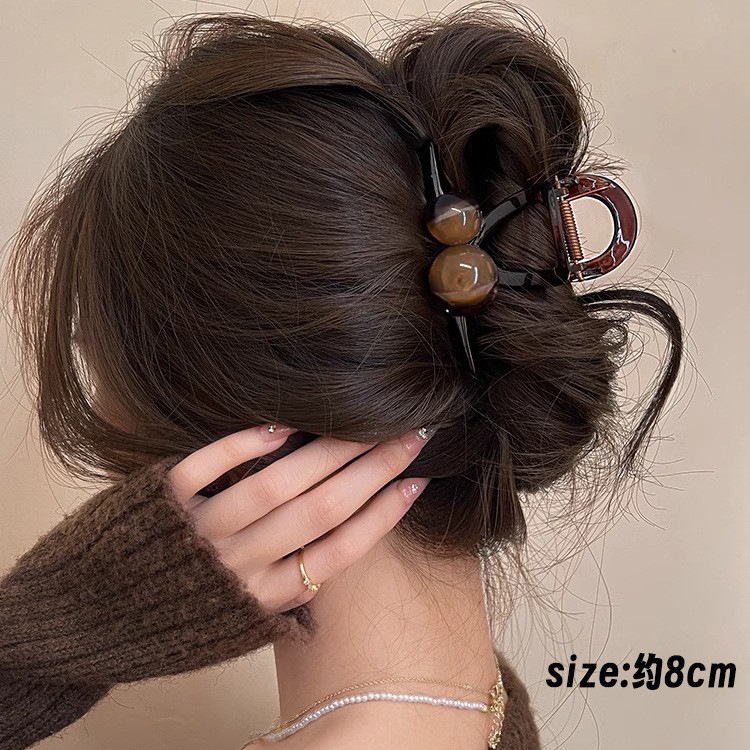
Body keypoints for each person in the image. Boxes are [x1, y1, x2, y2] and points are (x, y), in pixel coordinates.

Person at [0, 3, 683, 749]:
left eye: (96, 349)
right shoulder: (483, 708)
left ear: (221, 405)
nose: (104, 402)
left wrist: (50, 635)